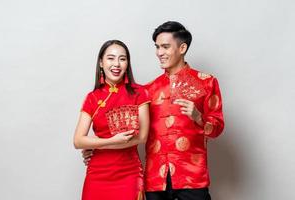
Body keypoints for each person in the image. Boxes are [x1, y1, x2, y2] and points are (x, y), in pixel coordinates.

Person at [83, 21, 224, 200]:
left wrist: (198, 117)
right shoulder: (147, 90)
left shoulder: (206, 82)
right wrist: (96, 148)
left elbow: (218, 128)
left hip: (191, 177)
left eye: (165, 47)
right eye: (157, 47)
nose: (159, 53)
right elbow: (123, 127)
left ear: (182, 48)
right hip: (155, 179)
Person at [74, 40, 150, 200]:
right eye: (111, 58)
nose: (116, 64)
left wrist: (98, 144)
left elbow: (142, 137)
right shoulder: (92, 98)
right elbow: (78, 141)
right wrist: (111, 141)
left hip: (129, 173)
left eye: (122, 59)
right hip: (97, 174)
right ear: (101, 63)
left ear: (127, 63)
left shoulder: (140, 93)